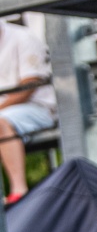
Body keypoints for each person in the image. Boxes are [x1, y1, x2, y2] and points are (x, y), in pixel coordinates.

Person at [0, 17, 58, 204]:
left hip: (38, 107)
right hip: (8, 112)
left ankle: (19, 190)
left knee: (0, 122)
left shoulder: (23, 37)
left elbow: (29, 86)